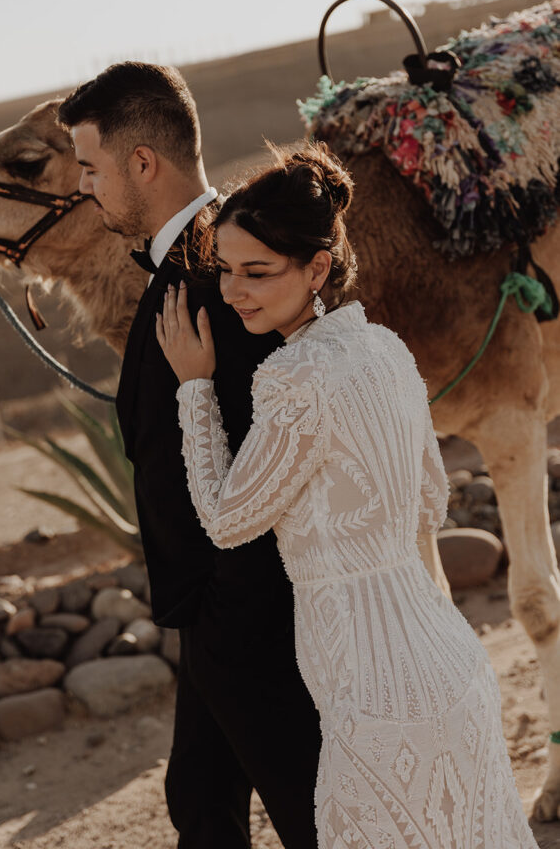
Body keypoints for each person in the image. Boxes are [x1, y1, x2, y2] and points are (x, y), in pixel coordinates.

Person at [157, 141, 539, 849]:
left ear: (317, 268)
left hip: (373, 686)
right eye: (226, 271)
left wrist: (193, 388)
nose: (234, 291)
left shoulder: (292, 379)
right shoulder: (388, 352)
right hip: (447, 660)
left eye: (257, 272)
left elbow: (226, 519)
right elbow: (430, 502)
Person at [57, 63, 322, 849]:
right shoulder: (190, 265)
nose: (83, 187)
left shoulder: (224, 276)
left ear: (143, 164)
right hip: (208, 612)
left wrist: (227, 612)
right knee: (199, 803)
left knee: (311, 814)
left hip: (241, 615)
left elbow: (258, 437)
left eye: (90, 167)